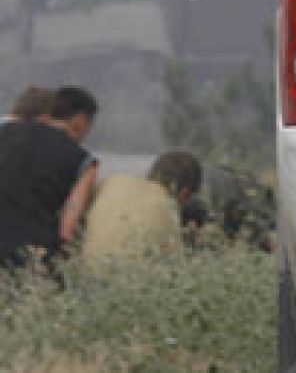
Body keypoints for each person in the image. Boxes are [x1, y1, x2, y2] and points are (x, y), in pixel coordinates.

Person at [0, 85, 98, 269]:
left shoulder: (4, 130)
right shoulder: (84, 161)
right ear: (81, 120)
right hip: (28, 255)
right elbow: (68, 227)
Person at [79, 149, 203, 263]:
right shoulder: (169, 213)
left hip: (86, 271)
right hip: (126, 277)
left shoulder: (112, 182)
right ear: (184, 193)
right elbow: (177, 264)